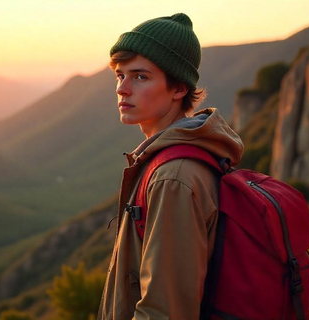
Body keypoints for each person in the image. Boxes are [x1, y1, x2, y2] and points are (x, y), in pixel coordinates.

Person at [98, 13, 244, 320]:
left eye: (140, 76)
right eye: (119, 75)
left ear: (178, 88)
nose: (122, 88)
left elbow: (165, 312)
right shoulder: (166, 161)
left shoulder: (173, 177)